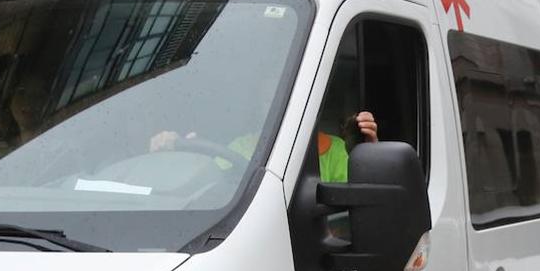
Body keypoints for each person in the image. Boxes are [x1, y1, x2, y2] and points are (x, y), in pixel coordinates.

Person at [148, 111, 378, 183]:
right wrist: (181, 151)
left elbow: (368, 194)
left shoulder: (335, 149)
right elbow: (207, 183)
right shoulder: (241, 145)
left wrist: (371, 152)